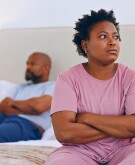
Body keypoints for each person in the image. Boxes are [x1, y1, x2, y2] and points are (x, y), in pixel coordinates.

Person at [45, 9, 135, 165]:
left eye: (116, 37)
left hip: (125, 149)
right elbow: (64, 132)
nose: (112, 42)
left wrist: (87, 118)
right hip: (79, 151)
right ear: (85, 44)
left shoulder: (130, 77)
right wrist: (119, 126)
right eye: (102, 36)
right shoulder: (67, 79)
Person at [0, 52, 55, 143]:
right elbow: (2, 106)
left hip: (28, 124)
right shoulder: (20, 87)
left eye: (33, 64)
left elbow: (37, 107)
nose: (28, 67)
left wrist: (12, 103)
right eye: (27, 63)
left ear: (46, 68)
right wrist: (29, 106)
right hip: (5, 118)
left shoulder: (54, 86)